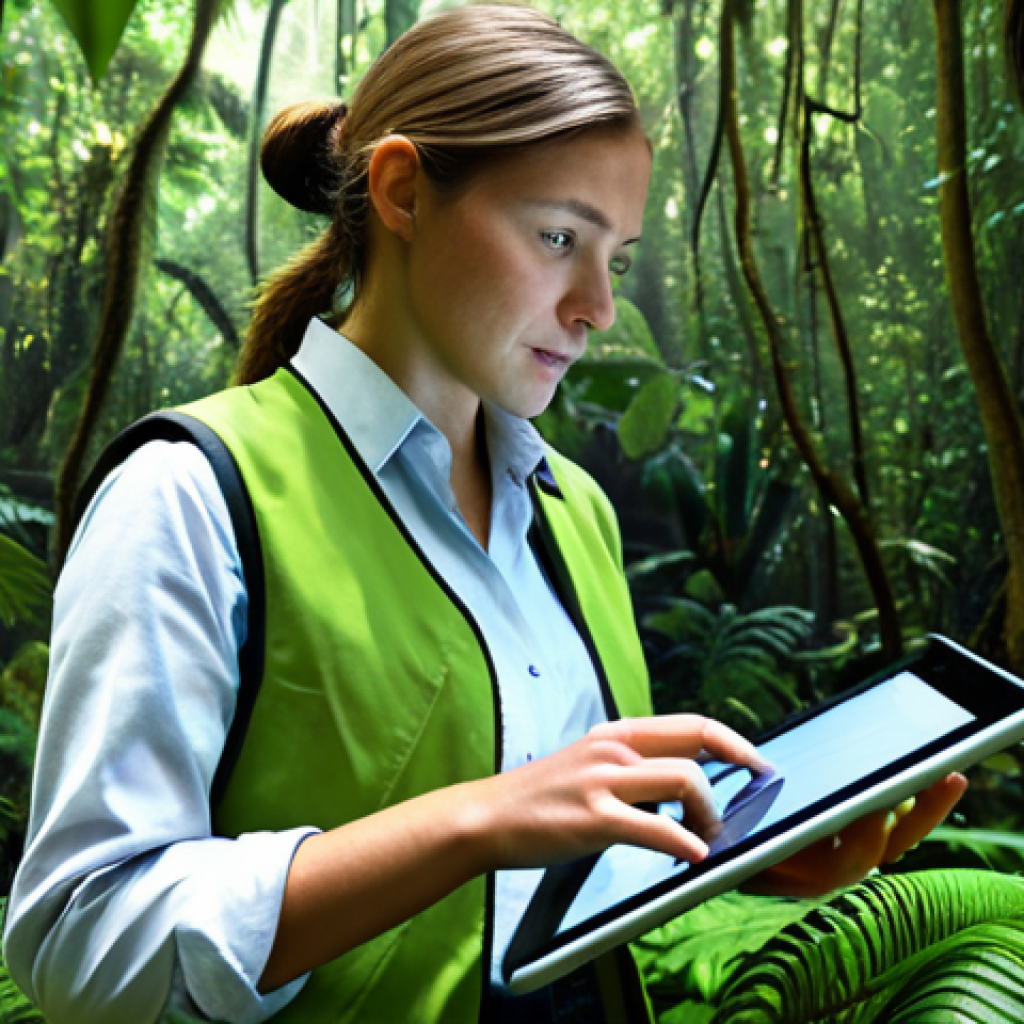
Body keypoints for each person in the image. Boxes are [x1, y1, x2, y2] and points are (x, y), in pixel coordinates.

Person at [2, 5, 965, 1022]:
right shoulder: (187, 494)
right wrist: (471, 820)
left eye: (618, 259)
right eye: (558, 237)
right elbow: (82, 937)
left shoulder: (575, 508)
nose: (595, 303)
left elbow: (559, 889)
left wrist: (740, 858)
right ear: (403, 190)